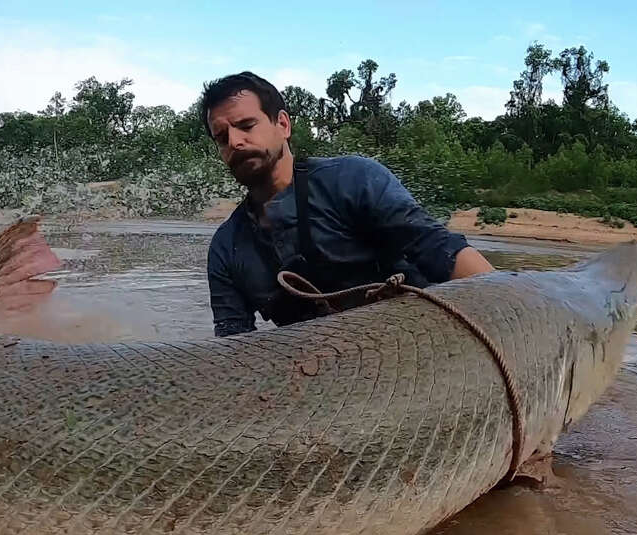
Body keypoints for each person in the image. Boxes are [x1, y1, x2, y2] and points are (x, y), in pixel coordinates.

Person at [200, 71, 494, 337]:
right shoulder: (226, 249)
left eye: (246, 125)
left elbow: (442, 251)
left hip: (421, 346)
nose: (235, 142)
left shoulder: (352, 179)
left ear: (283, 124)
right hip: (325, 375)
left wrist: (510, 311)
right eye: (222, 137)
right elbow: (232, 346)